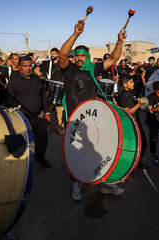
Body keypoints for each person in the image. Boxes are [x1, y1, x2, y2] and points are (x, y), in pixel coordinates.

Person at [58, 19, 128, 200]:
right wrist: (76, 34)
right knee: (76, 153)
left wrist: (120, 42)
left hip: (94, 118)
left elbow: (113, 58)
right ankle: (76, 183)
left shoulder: (92, 69)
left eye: (82, 55)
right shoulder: (69, 69)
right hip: (74, 118)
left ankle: (104, 181)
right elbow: (62, 55)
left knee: (101, 149)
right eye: (77, 55)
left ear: (87, 57)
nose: (79, 58)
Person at [7, 56, 51, 168]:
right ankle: (22, 165)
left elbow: (42, 96)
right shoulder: (13, 82)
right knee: (23, 143)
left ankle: (40, 158)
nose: (27, 68)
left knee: (42, 140)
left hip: (38, 117)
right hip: (21, 118)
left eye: (29, 65)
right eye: (24, 66)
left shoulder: (37, 79)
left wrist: (47, 112)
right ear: (19, 67)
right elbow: (8, 101)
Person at [117, 76, 149, 168]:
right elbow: (127, 112)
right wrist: (139, 105)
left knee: (141, 143)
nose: (133, 83)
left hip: (136, 121)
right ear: (124, 84)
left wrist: (139, 104)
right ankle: (130, 166)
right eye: (130, 82)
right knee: (134, 145)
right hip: (130, 124)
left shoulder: (130, 92)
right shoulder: (123, 96)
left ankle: (136, 164)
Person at [34, 48, 64, 135]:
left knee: (60, 109)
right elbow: (36, 69)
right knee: (48, 109)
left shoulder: (62, 63)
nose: (52, 55)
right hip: (49, 88)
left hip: (60, 89)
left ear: (58, 55)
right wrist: (41, 75)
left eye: (54, 53)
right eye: (51, 53)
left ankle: (58, 126)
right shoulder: (46, 63)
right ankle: (47, 126)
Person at [145, 81, 159, 164]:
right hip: (152, 122)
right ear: (154, 90)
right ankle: (153, 155)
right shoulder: (150, 97)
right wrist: (158, 108)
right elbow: (150, 110)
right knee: (153, 139)